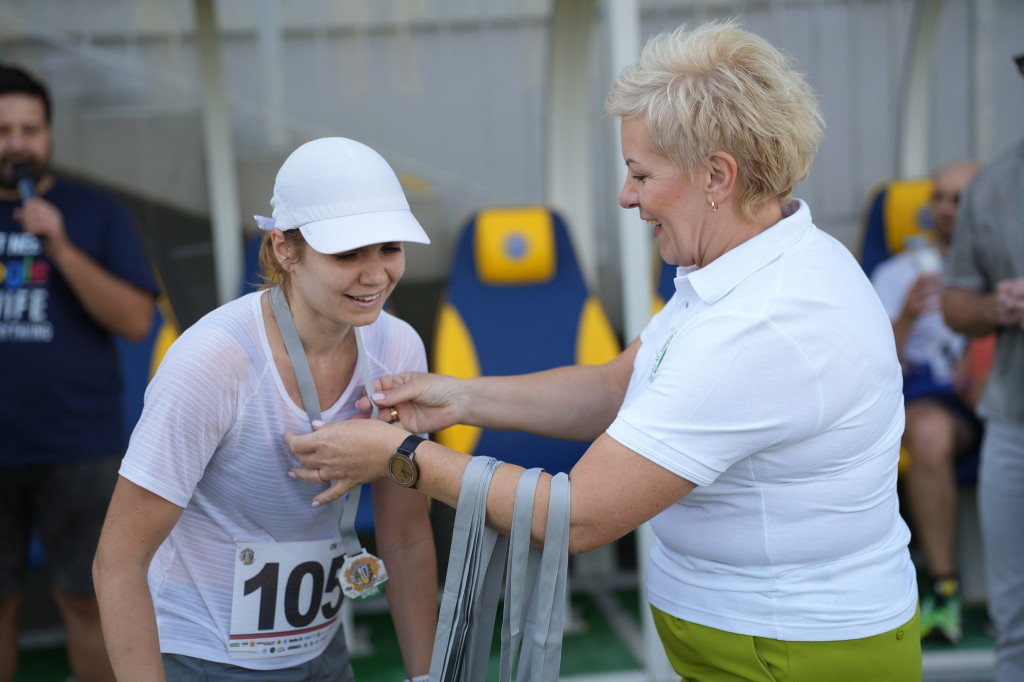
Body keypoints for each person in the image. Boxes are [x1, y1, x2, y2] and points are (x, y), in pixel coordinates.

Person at [286, 21, 921, 681]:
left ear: (717, 176)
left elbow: (577, 516)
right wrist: (460, 397)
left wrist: (401, 457)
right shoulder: (757, 261)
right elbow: (619, 388)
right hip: (757, 641)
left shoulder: (763, 324)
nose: (627, 196)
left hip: (793, 652)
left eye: (640, 173)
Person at [92, 137, 437, 681]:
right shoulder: (214, 360)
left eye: (389, 247)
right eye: (347, 253)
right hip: (200, 654)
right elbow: (117, 560)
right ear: (284, 250)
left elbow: (407, 534)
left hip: (322, 648)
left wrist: (426, 677)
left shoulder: (397, 347)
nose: (375, 275)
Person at [0, 64, 157, 682]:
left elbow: (136, 322)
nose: (17, 143)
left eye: (30, 129)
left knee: (89, 599)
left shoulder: (94, 211)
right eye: (4, 129)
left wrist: (60, 247)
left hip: (80, 446)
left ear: (49, 133)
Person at [869, 160, 982, 644]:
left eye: (959, 199)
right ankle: (943, 589)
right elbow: (868, 365)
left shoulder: (1005, 264)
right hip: (929, 398)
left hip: (999, 389)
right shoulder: (897, 273)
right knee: (929, 433)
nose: (946, 209)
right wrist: (907, 317)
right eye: (938, 197)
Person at [942, 50, 1024, 682]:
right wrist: (996, 303)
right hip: (1014, 425)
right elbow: (956, 305)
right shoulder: (994, 186)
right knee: (1014, 627)